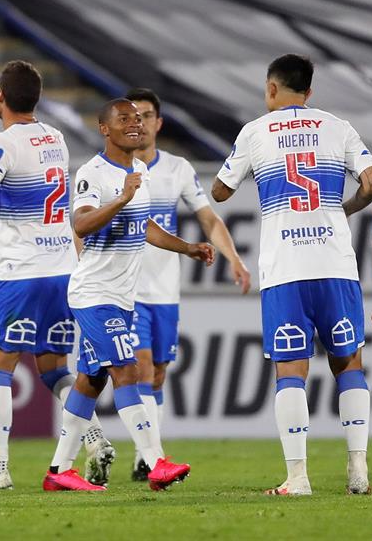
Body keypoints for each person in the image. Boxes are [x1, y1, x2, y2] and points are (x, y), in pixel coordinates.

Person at [212, 54, 372, 496]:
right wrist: (343, 209)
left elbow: (220, 190)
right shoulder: (337, 126)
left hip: (285, 267)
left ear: (271, 89)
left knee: (290, 369)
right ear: (309, 93)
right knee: (349, 364)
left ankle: (298, 477)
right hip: (334, 264)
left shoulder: (254, 131)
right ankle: (358, 470)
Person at [0, 61, 115, 490]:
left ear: (0, 95)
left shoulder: (5, 143)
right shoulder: (53, 137)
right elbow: (25, 174)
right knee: (53, 370)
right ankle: (94, 436)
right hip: (62, 272)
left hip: (21, 274)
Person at [43, 98, 214, 492]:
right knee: (128, 368)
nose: (135, 125)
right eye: (125, 120)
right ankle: (155, 462)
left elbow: (145, 225)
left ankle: (58, 471)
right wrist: (119, 198)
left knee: (91, 379)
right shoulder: (94, 173)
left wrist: (187, 247)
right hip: (95, 293)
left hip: (121, 295)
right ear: (105, 129)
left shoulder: (138, 171)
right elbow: (81, 223)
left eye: (138, 119)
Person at [124, 87, 251, 481]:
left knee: (158, 373)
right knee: (142, 368)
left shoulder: (177, 169)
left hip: (165, 289)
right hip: (126, 289)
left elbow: (208, 218)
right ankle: (154, 458)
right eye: (132, 116)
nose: (139, 123)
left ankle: (144, 453)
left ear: (158, 123)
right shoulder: (115, 169)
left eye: (146, 115)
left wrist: (233, 258)